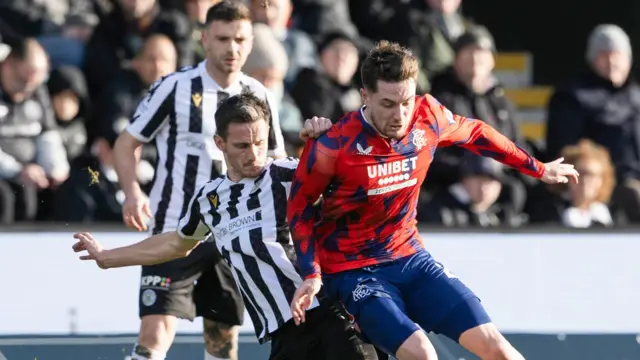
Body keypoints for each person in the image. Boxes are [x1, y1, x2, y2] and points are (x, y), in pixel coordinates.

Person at [287, 41, 580, 360]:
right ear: (365, 96)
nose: (400, 115)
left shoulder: (428, 115)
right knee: (423, 354)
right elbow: (299, 206)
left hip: (410, 257)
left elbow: (477, 133)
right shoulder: (335, 144)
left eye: (406, 102)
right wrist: (312, 272)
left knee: (499, 350)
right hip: (354, 270)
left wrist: (536, 167)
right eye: (387, 104)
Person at [72, 93, 384, 360]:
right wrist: (107, 257)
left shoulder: (289, 175)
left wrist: (330, 139)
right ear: (220, 143)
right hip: (285, 333)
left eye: (260, 143)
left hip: (332, 313)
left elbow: (362, 180)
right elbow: (175, 244)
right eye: (242, 146)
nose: (254, 154)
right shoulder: (210, 198)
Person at [111, 2, 286, 360]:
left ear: (251, 41)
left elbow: (275, 160)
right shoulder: (175, 87)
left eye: (240, 39)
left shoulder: (259, 95)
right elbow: (126, 143)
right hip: (175, 227)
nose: (231, 48)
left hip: (232, 230)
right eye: (222, 38)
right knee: (155, 332)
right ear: (204, 38)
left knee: (222, 339)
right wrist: (131, 193)